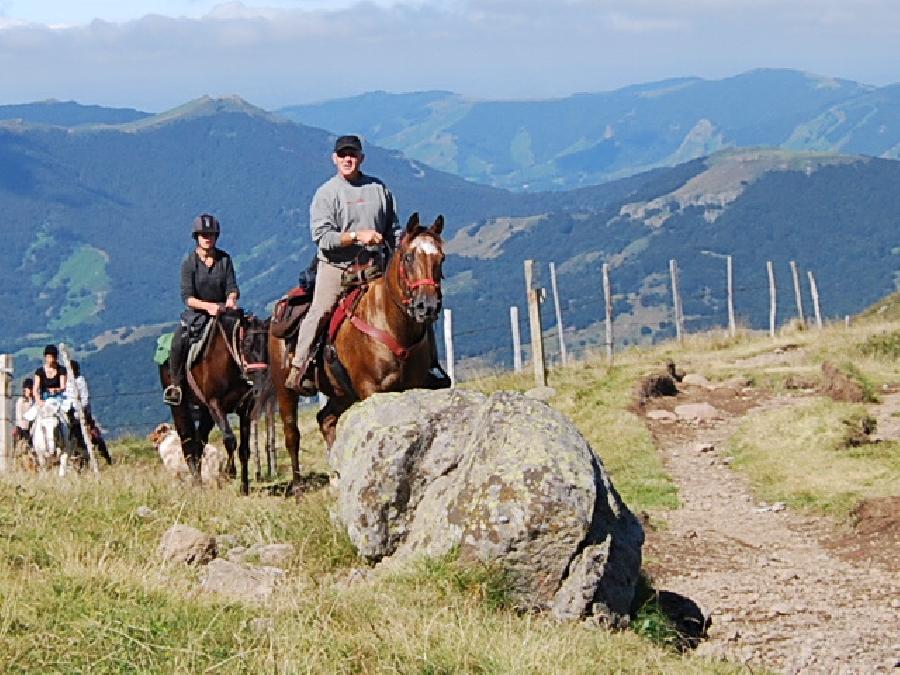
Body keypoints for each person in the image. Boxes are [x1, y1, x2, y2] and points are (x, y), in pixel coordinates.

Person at [285, 134, 399, 393]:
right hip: (337, 267)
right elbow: (323, 238)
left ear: (361, 158)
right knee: (321, 310)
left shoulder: (379, 189)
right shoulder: (327, 194)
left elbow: (394, 228)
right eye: (343, 155)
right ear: (334, 159)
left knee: (407, 307)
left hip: (374, 266)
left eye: (353, 155)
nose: (348, 159)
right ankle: (299, 367)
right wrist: (357, 236)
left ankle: (428, 365)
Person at [163, 213, 240, 405]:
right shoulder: (189, 263)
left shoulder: (225, 260)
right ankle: (176, 385)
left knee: (249, 335)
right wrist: (208, 307)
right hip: (197, 314)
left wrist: (231, 299)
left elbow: (232, 287)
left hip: (223, 313)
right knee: (178, 341)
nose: (207, 238)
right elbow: (187, 297)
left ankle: (250, 377)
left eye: (211, 234)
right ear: (196, 237)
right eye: (203, 235)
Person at [64, 360, 113, 465]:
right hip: (72, 415)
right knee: (72, 437)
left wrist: (80, 409)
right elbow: (67, 398)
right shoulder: (67, 383)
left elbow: (85, 399)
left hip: (83, 414)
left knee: (95, 435)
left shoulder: (81, 381)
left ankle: (106, 456)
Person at [13, 377, 34, 448]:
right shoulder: (21, 401)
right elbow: (19, 416)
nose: (30, 391)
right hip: (23, 428)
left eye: (31, 389)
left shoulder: (34, 400)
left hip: (33, 427)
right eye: (29, 389)